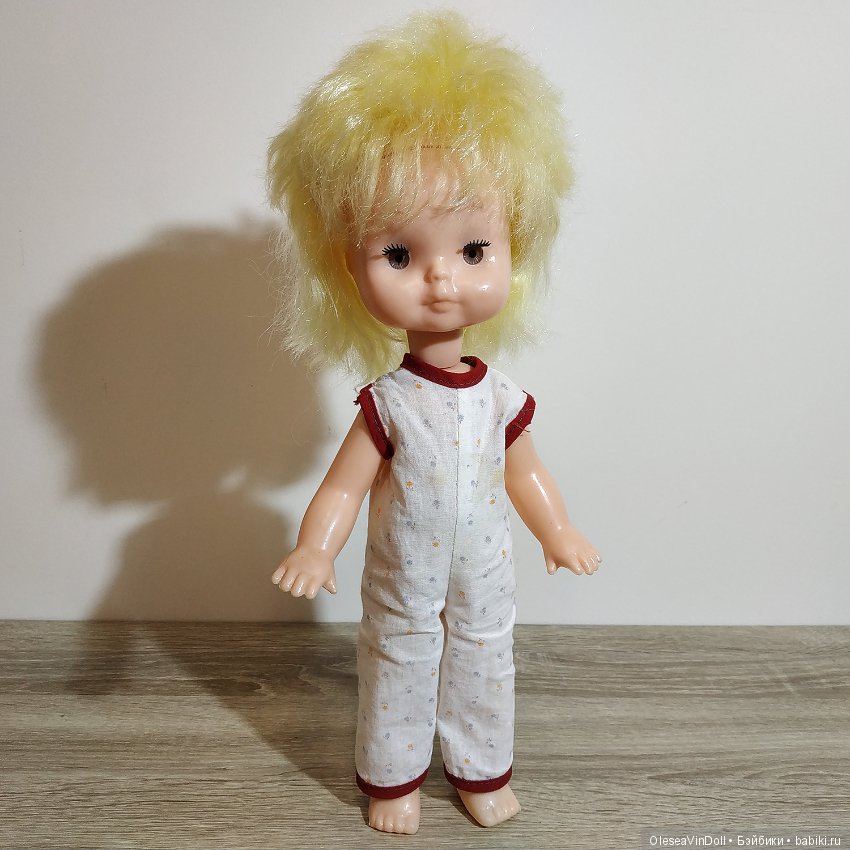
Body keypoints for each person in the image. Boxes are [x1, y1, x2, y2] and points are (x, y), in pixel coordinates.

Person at [267, 11, 601, 835]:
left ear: (516, 245)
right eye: (400, 254)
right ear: (349, 266)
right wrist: (316, 546)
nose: (441, 280)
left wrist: (557, 529)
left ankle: (482, 770)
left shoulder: (500, 396)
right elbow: (343, 487)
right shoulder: (386, 403)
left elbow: (524, 470)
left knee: (487, 655)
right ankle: (393, 780)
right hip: (402, 577)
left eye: (474, 249)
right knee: (397, 658)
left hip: (486, 569)